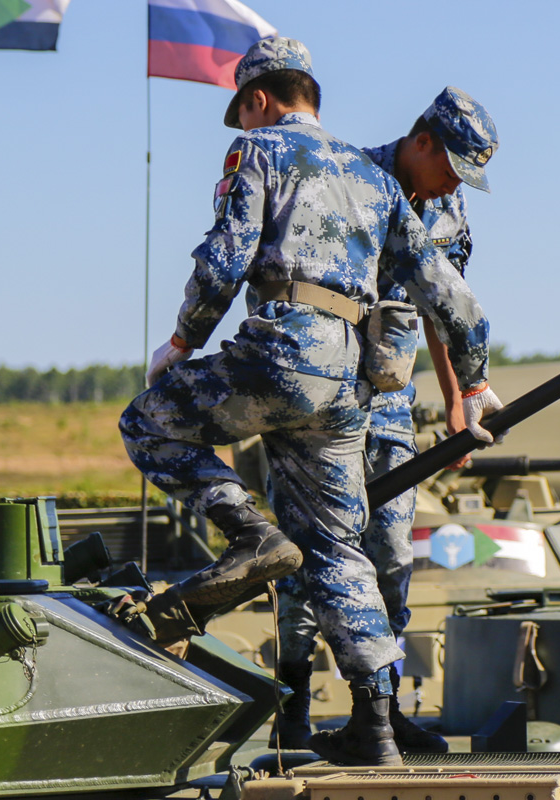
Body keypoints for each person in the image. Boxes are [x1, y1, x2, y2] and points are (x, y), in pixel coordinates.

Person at [118, 37, 504, 767]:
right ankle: (377, 723)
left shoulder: (261, 154)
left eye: (244, 114)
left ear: (260, 100)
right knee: (335, 548)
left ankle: (250, 534)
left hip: (282, 352)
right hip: (348, 385)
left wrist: (182, 339)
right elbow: (457, 305)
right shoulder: (377, 179)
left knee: (148, 423)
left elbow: (224, 260)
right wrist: (475, 382)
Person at [268, 87, 498, 755]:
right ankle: (293, 708)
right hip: (317, 392)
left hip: (390, 400)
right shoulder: (348, 180)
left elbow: (443, 307)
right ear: (421, 141)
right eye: (451, 164)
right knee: (308, 552)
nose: (456, 182)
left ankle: (383, 709)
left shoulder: (446, 209)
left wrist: (457, 400)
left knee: (392, 554)